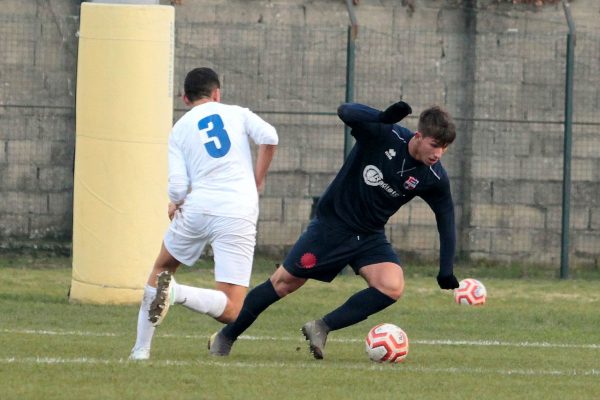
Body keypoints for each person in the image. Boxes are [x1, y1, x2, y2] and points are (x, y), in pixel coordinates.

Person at [208, 100, 459, 359]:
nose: (438, 153)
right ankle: (227, 336)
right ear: (419, 136)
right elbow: (345, 110)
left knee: (391, 286)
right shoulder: (384, 134)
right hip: (333, 225)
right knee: (284, 283)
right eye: (435, 145)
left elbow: (446, 216)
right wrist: (382, 117)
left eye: (444, 147)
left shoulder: (434, 176)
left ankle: (321, 327)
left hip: (369, 235)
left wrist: (446, 268)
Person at [129, 67, 278, 360]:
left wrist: (175, 202)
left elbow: (178, 186)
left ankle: (140, 350)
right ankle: (177, 294)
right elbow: (270, 137)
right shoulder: (236, 113)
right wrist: (257, 178)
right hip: (237, 211)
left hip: (197, 208)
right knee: (232, 309)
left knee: (161, 268)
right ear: (217, 94)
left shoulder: (180, 129)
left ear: (185, 98)